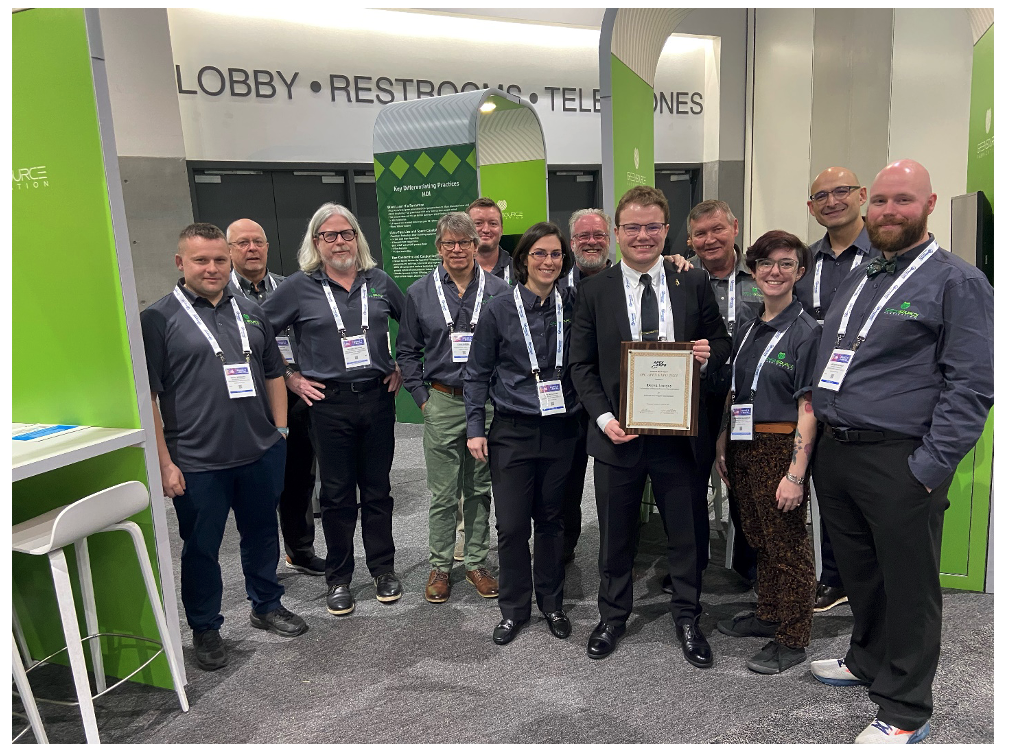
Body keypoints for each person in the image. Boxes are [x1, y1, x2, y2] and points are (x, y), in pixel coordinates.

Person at [809, 160, 993, 743]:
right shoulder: (863, 272)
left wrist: (929, 468)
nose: (890, 212)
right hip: (839, 453)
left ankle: (906, 709)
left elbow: (972, 385)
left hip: (900, 460)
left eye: (903, 201)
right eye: (883, 201)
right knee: (861, 573)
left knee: (909, 587)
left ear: (929, 204)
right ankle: (867, 659)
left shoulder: (957, 282)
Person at [569, 185, 731, 665]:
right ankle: (612, 616)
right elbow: (581, 365)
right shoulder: (594, 291)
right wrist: (604, 419)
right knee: (616, 533)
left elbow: (721, 342)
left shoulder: (692, 282)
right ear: (617, 232)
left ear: (666, 230)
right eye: (633, 227)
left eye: (653, 226)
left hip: (679, 437)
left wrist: (707, 354)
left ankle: (688, 616)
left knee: (686, 532)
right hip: (618, 434)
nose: (643, 236)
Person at [141, 223, 308, 672]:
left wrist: (280, 431)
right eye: (201, 260)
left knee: (262, 533)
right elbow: (148, 397)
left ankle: (266, 604)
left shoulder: (251, 311)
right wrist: (164, 462)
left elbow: (273, 372)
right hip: (197, 460)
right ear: (181, 262)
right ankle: (205, 627)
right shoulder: (157, 319)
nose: (212, 268)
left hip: (259, 450)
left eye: (219, 259)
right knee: (201, 547)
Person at [261, 203, 405, 617]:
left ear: (357, 238)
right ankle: (339, 578)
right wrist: (290, 376)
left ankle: (383, 569)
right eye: (329, 235)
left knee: (377, 489)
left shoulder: (379, 281)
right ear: (316, 242)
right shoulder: (298, 287)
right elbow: (258, 333)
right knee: (337, 494)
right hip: (327, 403)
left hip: (377, 399)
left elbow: (415, 326)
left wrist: (403, 364)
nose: (339, 241)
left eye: (346, 234)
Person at [465, 222, 581, 645]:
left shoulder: (575, 304)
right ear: (523, 260)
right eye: (540, 254)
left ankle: (552, 603)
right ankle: (514, 609)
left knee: (551, 521)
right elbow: (476, 372)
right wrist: (475, 428)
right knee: (512, 526)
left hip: (562, 429)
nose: (548, 261)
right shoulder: (499, 309)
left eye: (556, 254)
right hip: (512, 431)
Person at [713, 230, 820, 674]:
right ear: (753, 271)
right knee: (758, 537)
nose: (774, 272)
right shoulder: (750, 324)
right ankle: (770, 612)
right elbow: (737, 388)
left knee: (788, 544)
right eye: (765, 263)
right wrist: (723, 438)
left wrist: (796, 474)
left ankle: (793, 637)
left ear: (799, 271)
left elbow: (809, 407)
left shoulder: (807, 332)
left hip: (780, 446)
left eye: (785, 263)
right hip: (743, 443)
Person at [397, 212, 510, 603]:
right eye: (449, 243)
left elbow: (509, 346)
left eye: (465, 242)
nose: (457, 249)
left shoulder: (499, 290)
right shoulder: (419, 293)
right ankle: (441, 566)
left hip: (487, 403)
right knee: (443, 493)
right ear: (439, 247)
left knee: (479, 489)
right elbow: (407, 351)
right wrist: (422, 399)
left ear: (476, 244)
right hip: (442, 400)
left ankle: (476, 562)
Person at [799, 167, 882, 613]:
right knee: (827, 487)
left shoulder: (886, 255)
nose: (832, 201)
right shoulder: (805, 260)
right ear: (811, 208)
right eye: (821, 196)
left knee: (867, 494)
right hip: (815, 388)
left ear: (861, 195)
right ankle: (834, 577)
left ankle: (871, 584)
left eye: (841, 191)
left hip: (869, 389)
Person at [226, 218, 324, 577]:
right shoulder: (220, 295)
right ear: (230, 250)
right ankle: (262, 563)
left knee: (299, 477)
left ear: (267, 247)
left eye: (258, 241)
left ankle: (300, 550)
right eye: (243, 243)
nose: (252, 248)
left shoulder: (291, 287)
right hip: (248, 399)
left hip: (296, 396)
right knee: (257, 485)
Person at [684, 200, 762, 584]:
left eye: (717, 229)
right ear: (690, 240)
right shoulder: (679, 278)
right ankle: (692, 565)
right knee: (690, 483)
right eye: (700, 233)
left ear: (735, 227)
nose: (710, 239)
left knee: (745, 479)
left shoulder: (762, 273)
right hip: (698, 394)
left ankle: (749, 565)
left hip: (750, 395)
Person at [556, 208, 613, 562]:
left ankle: (620, 551)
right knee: (566, 481)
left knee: (617, 483)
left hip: (616, 400)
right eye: (583, 236)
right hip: (567, 400)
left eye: (598, 235)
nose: (591, 242)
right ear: (572, 241)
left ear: (610, 238)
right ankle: (564, 547)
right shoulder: (555, 284)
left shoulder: (628, 282)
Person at [468, 197, 513, 283]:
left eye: (493, 223)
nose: (486, 230)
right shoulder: (453, 272)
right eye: (478, 223)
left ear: (501, 230)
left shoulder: (519, 271)